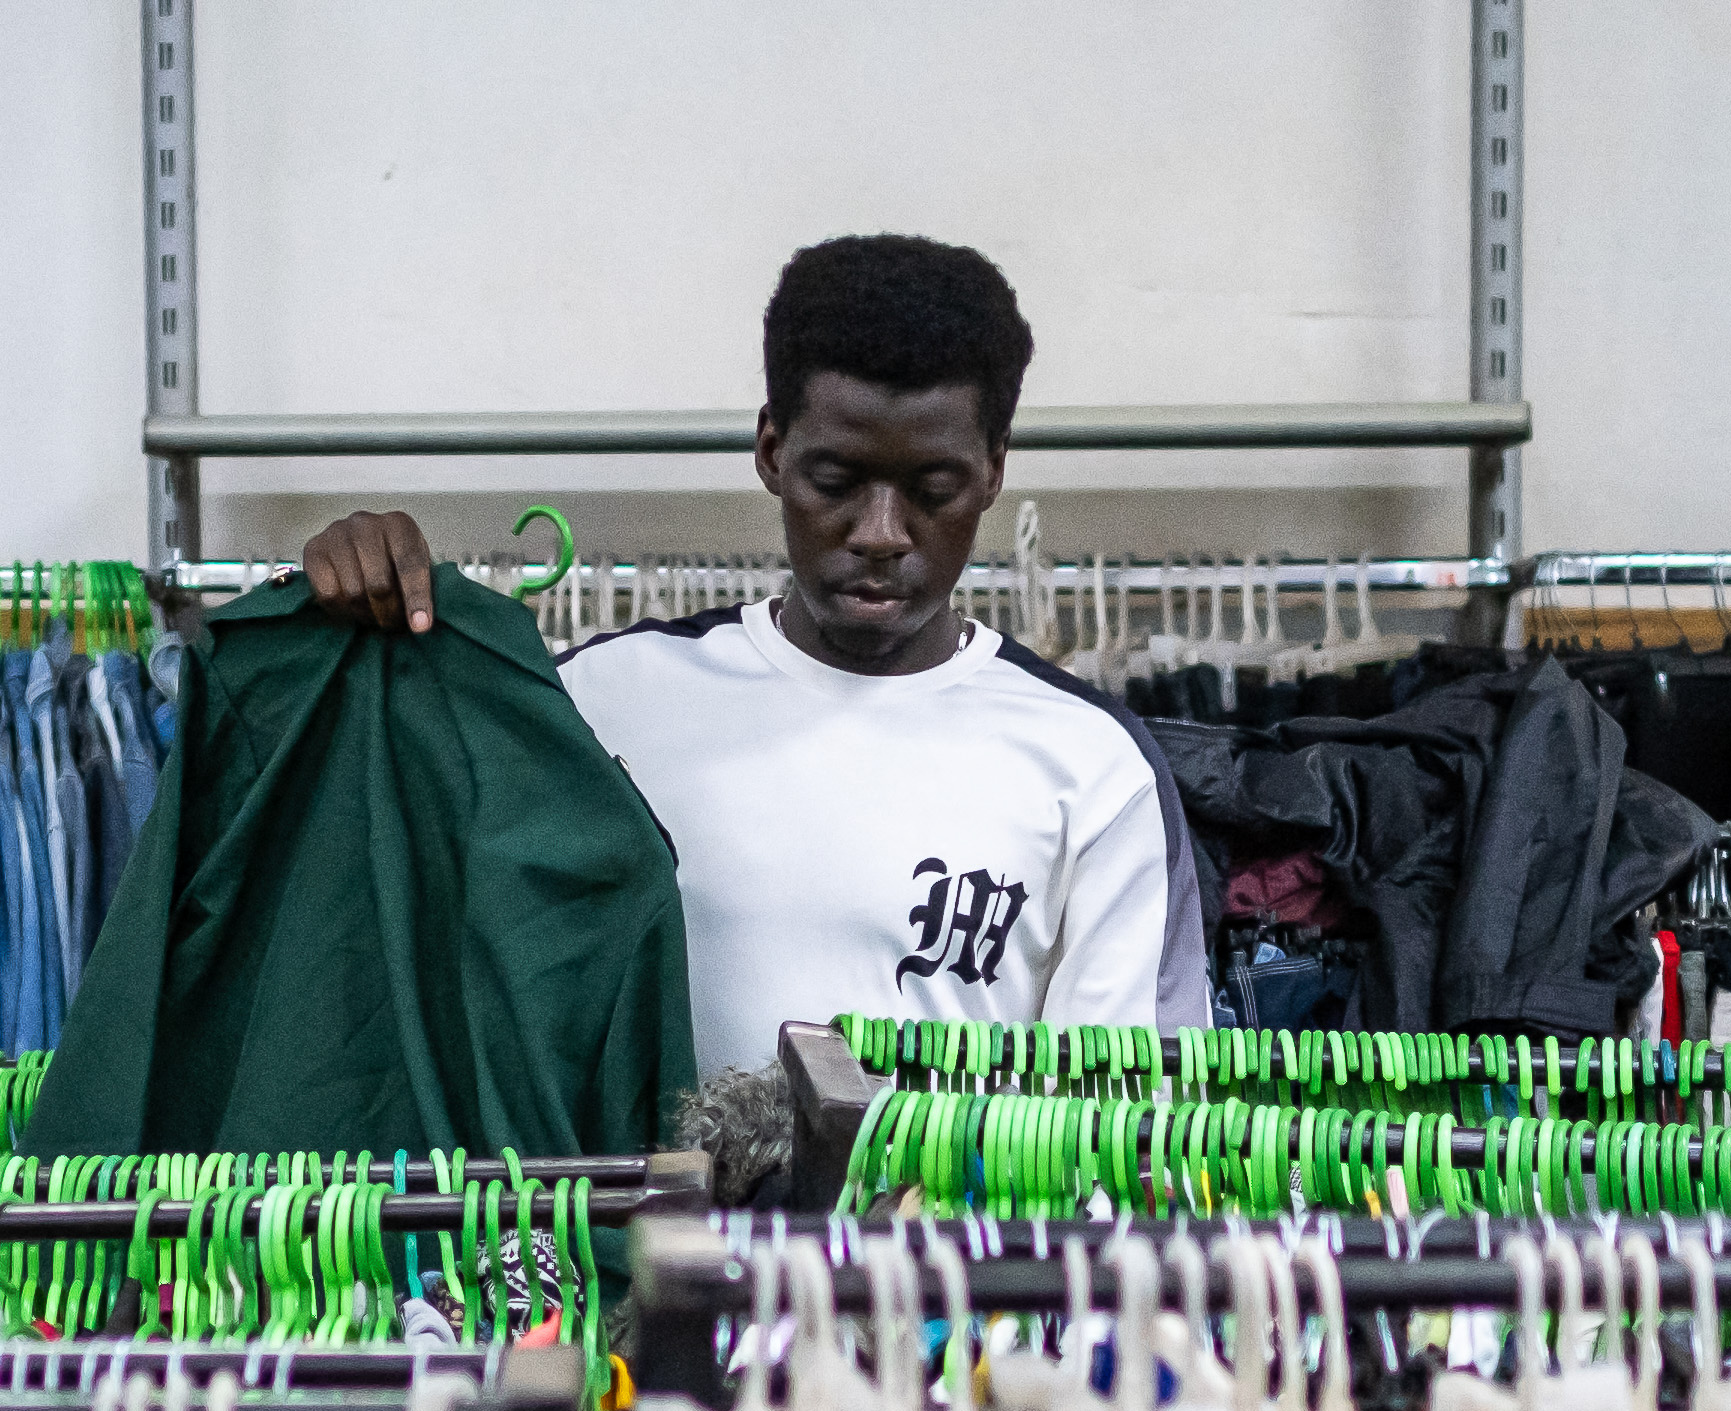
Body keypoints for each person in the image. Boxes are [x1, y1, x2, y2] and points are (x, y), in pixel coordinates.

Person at [301, 233, 1177, 1080]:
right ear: (770, 452)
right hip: (632, 1235)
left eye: (931, 491)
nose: (879, 533)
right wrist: (339, 625)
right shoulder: (602, 701)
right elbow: (395, 941)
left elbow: (1107, 1145)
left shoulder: (1092, 768)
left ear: (991, 473)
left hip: (935, 1237)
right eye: (833, 483)